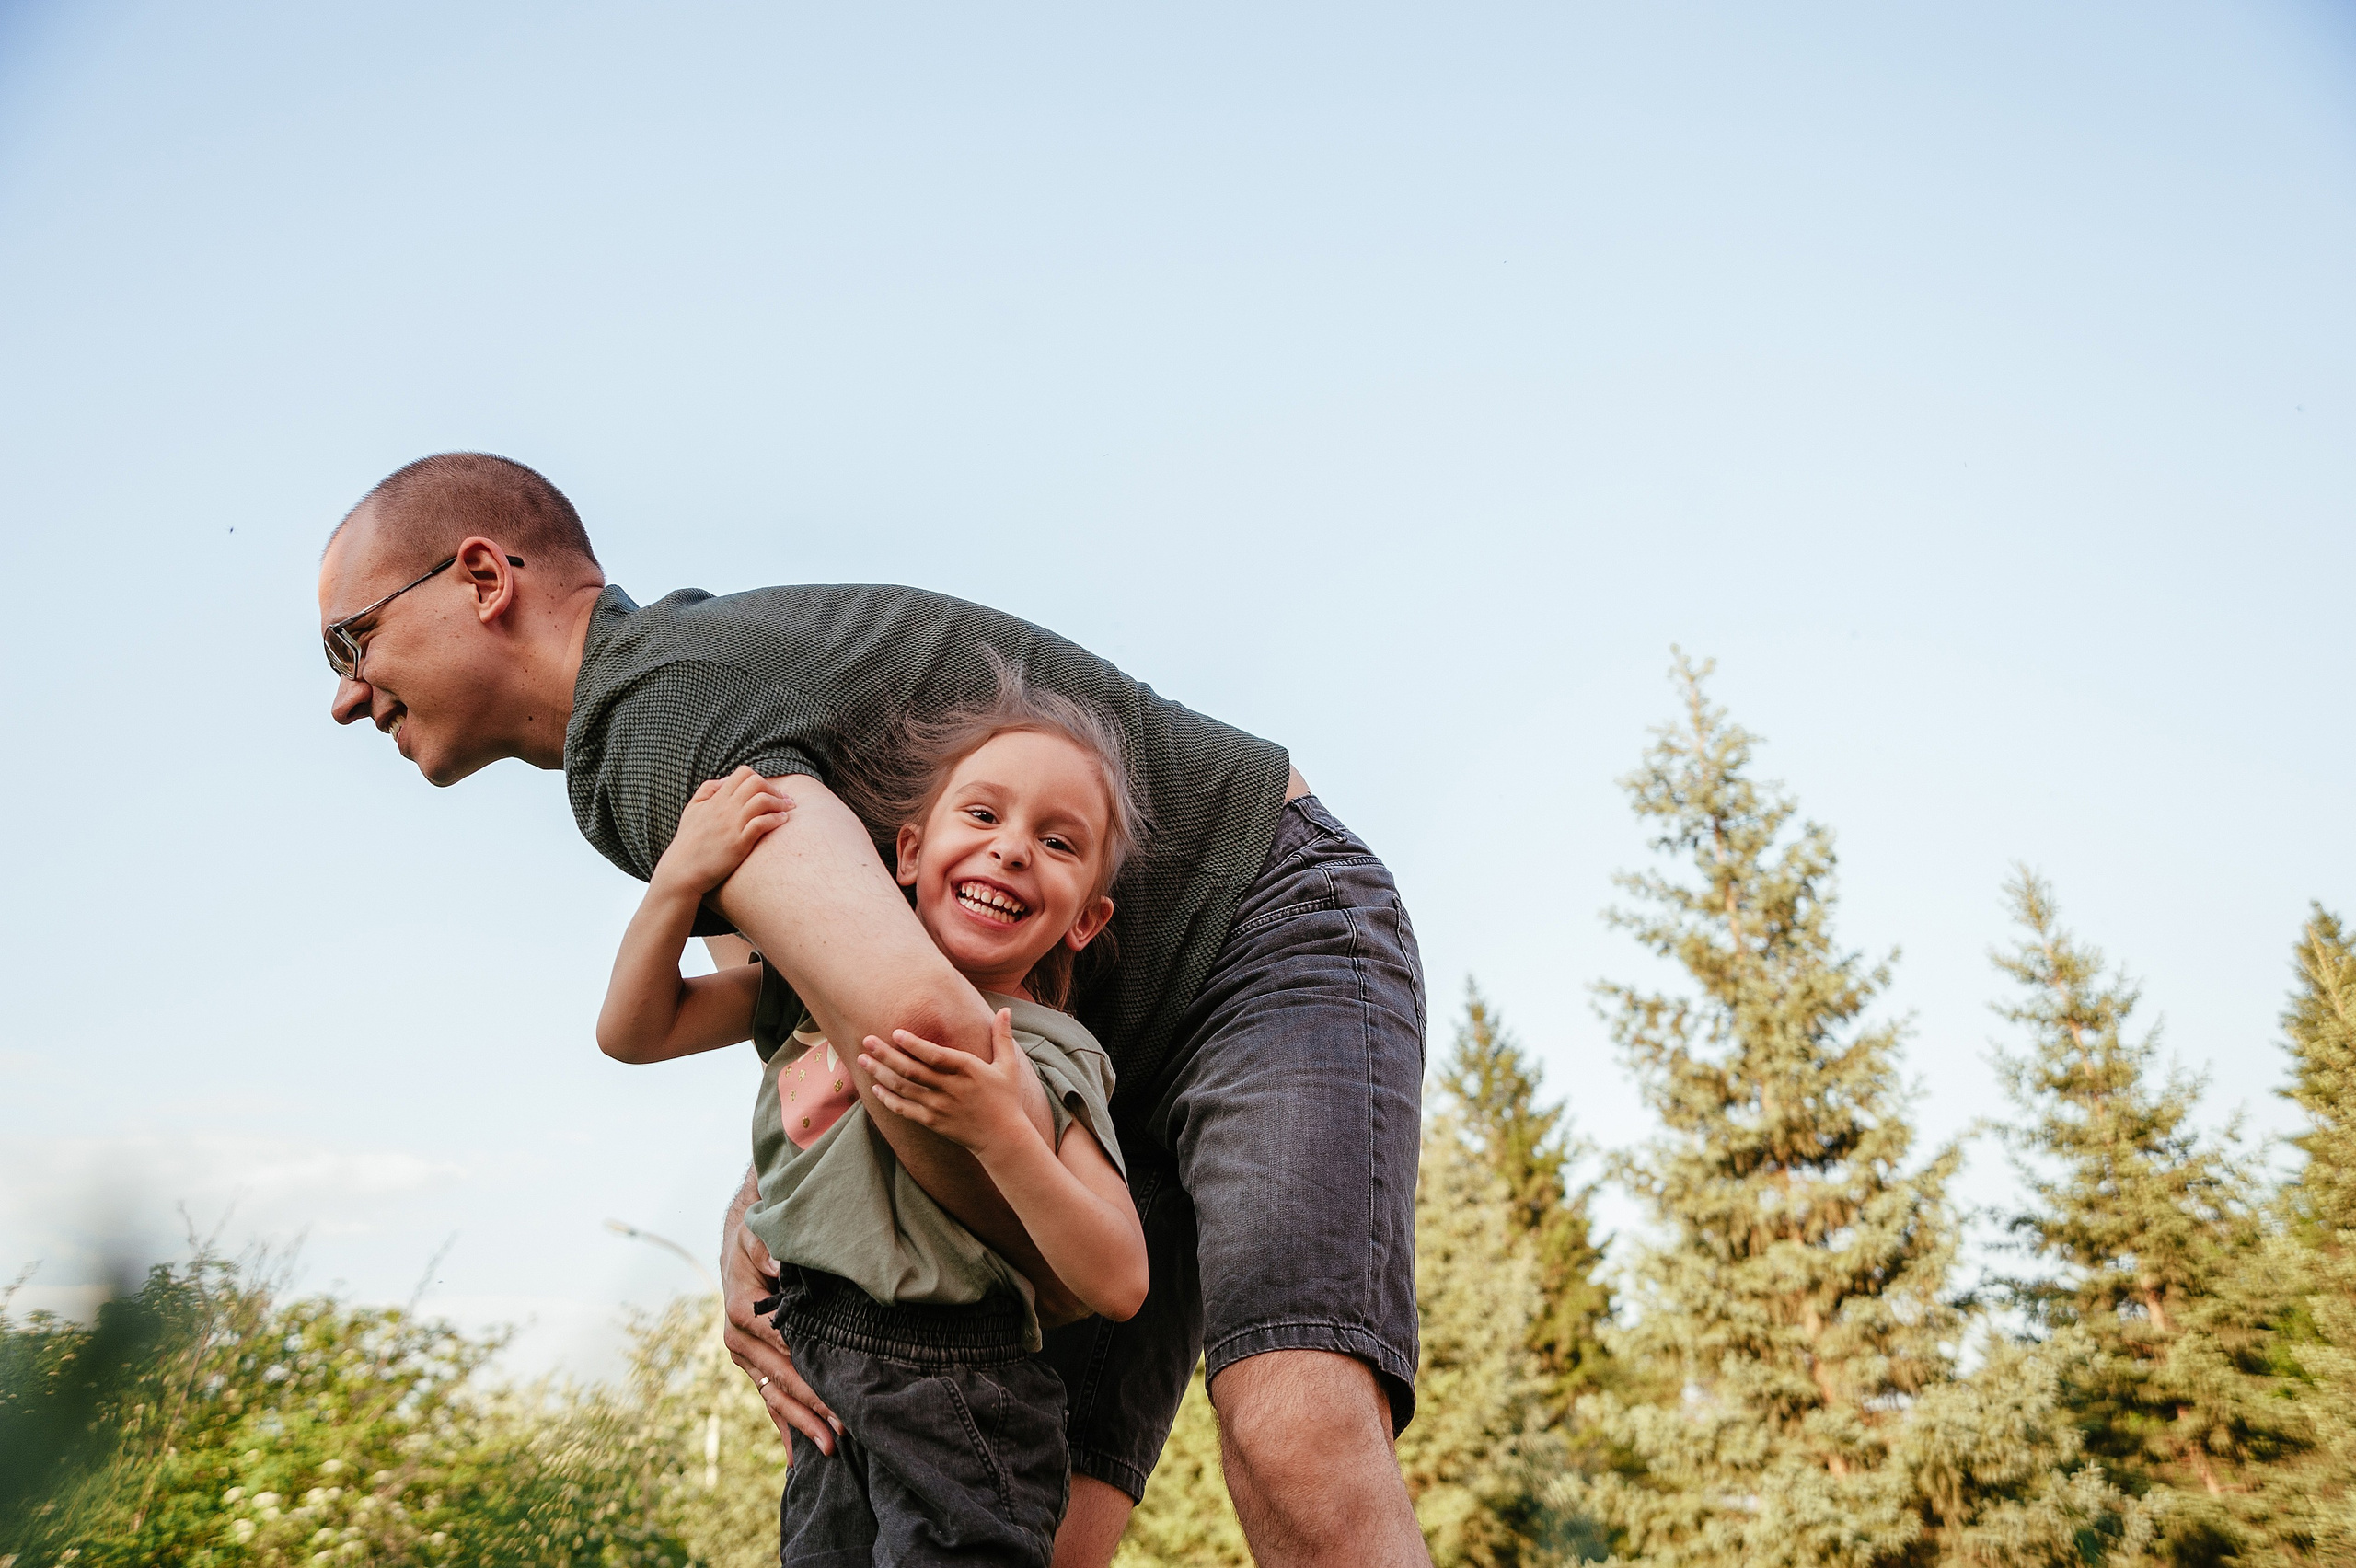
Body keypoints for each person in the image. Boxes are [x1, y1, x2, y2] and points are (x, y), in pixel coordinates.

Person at [317, 452, 1431, 1568]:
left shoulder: (650, 708)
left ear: (480, 577)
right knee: (1037, 1534)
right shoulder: (672, 732)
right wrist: (765, 1211)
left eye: (351, 641)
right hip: (1065, 1058)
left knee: (1295, 1425)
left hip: (1251, 929)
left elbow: (916, 1033)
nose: (345, 696)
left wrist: (1026, 1257)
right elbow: (820, 1036)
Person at [595, 679, 1149, 1566]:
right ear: (907, 852)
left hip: (964, 1392)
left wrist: (1001, 1131)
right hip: (822, 1386)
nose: (1011, 851)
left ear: (1086, 917)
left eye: (1056, 842)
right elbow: (634, 1031)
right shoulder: (809, 990)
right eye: (983, 815)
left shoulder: (1046, 1053)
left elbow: (1119, 1278)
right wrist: (681, 877)